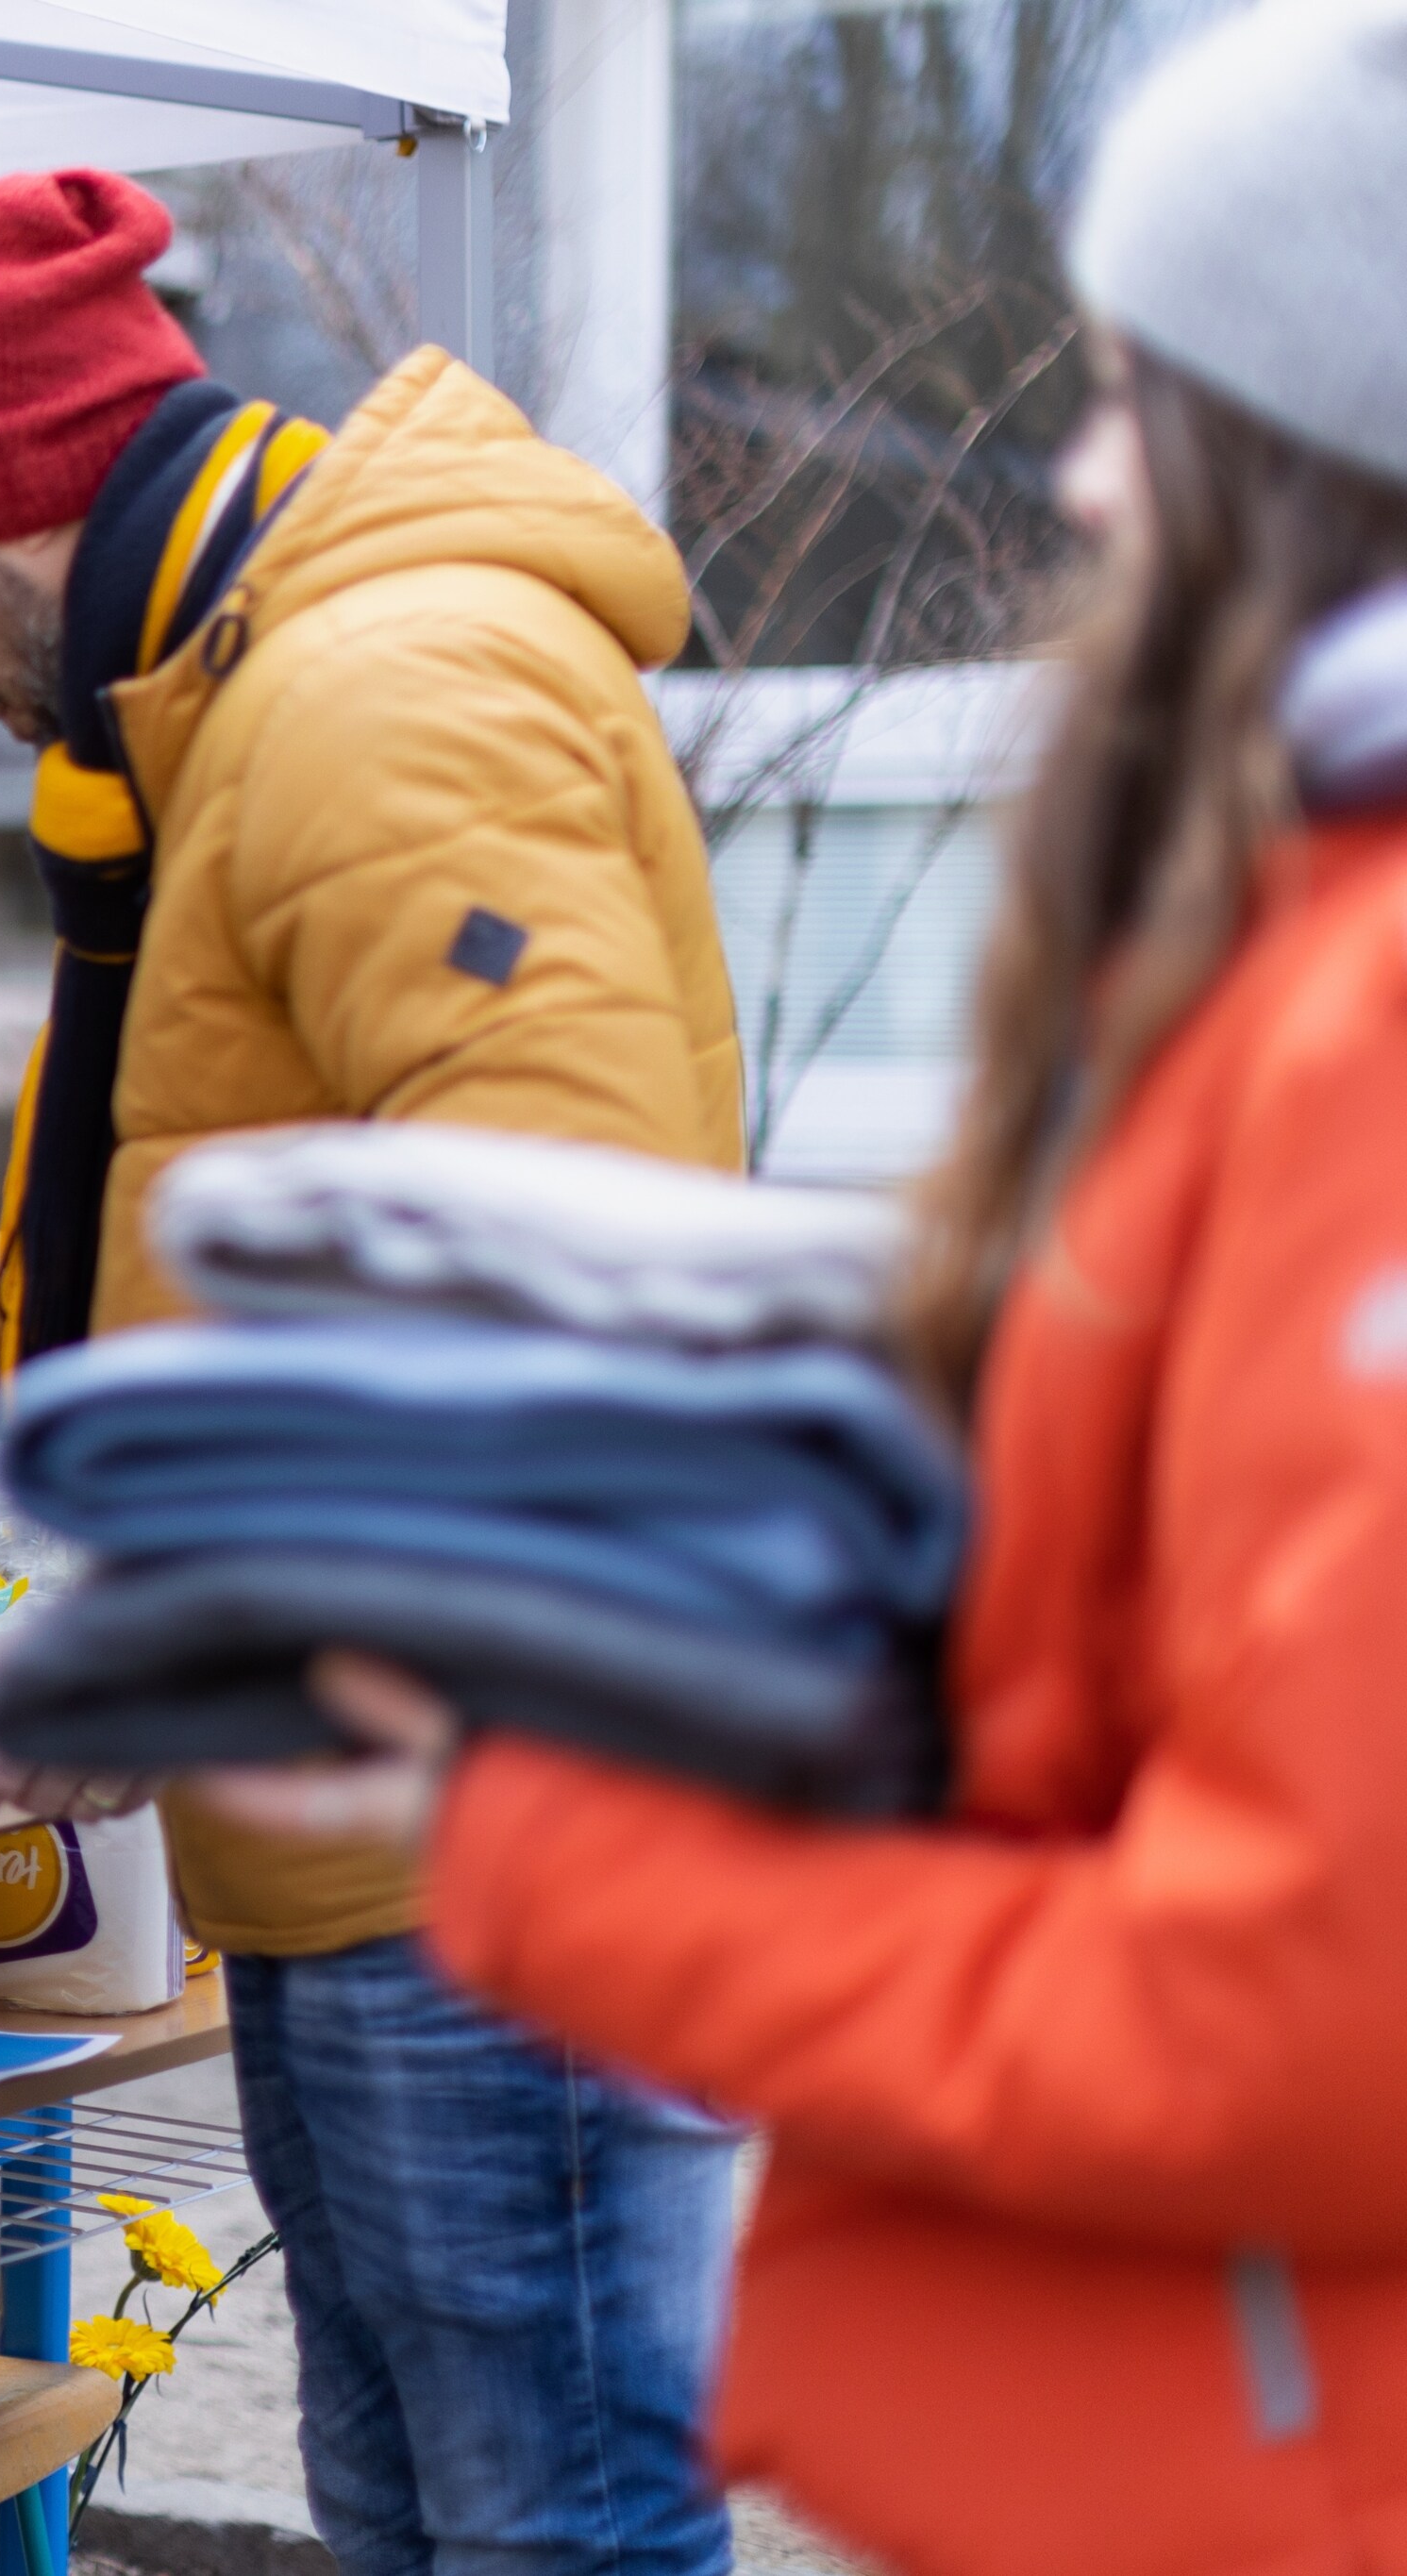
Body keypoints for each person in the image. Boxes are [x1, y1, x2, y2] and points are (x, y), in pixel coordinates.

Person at [177, 9, 1407, 2572]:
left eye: (1140, 408)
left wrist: (531, 1828)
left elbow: (1286, 2007)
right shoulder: (1276, 962)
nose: (1074, 486)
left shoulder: (1361, 1026)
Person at [0, 176, 748, 2573]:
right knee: (428, 2514)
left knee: (542, 2524)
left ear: (0, 510)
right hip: (369, 1834)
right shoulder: (251, 716)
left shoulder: (380, 692)